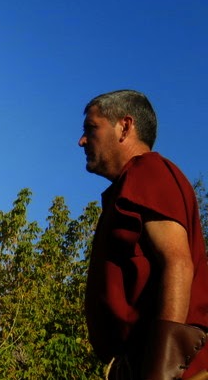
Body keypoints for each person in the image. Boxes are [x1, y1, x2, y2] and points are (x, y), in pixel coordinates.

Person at [79, 90, 208, 380]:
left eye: (91, 128)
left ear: (125, 127)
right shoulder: (129, 183)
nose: (82, 140)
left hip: (173, 369)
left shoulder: (148, 171)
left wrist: (163, 369)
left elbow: (178, 264)